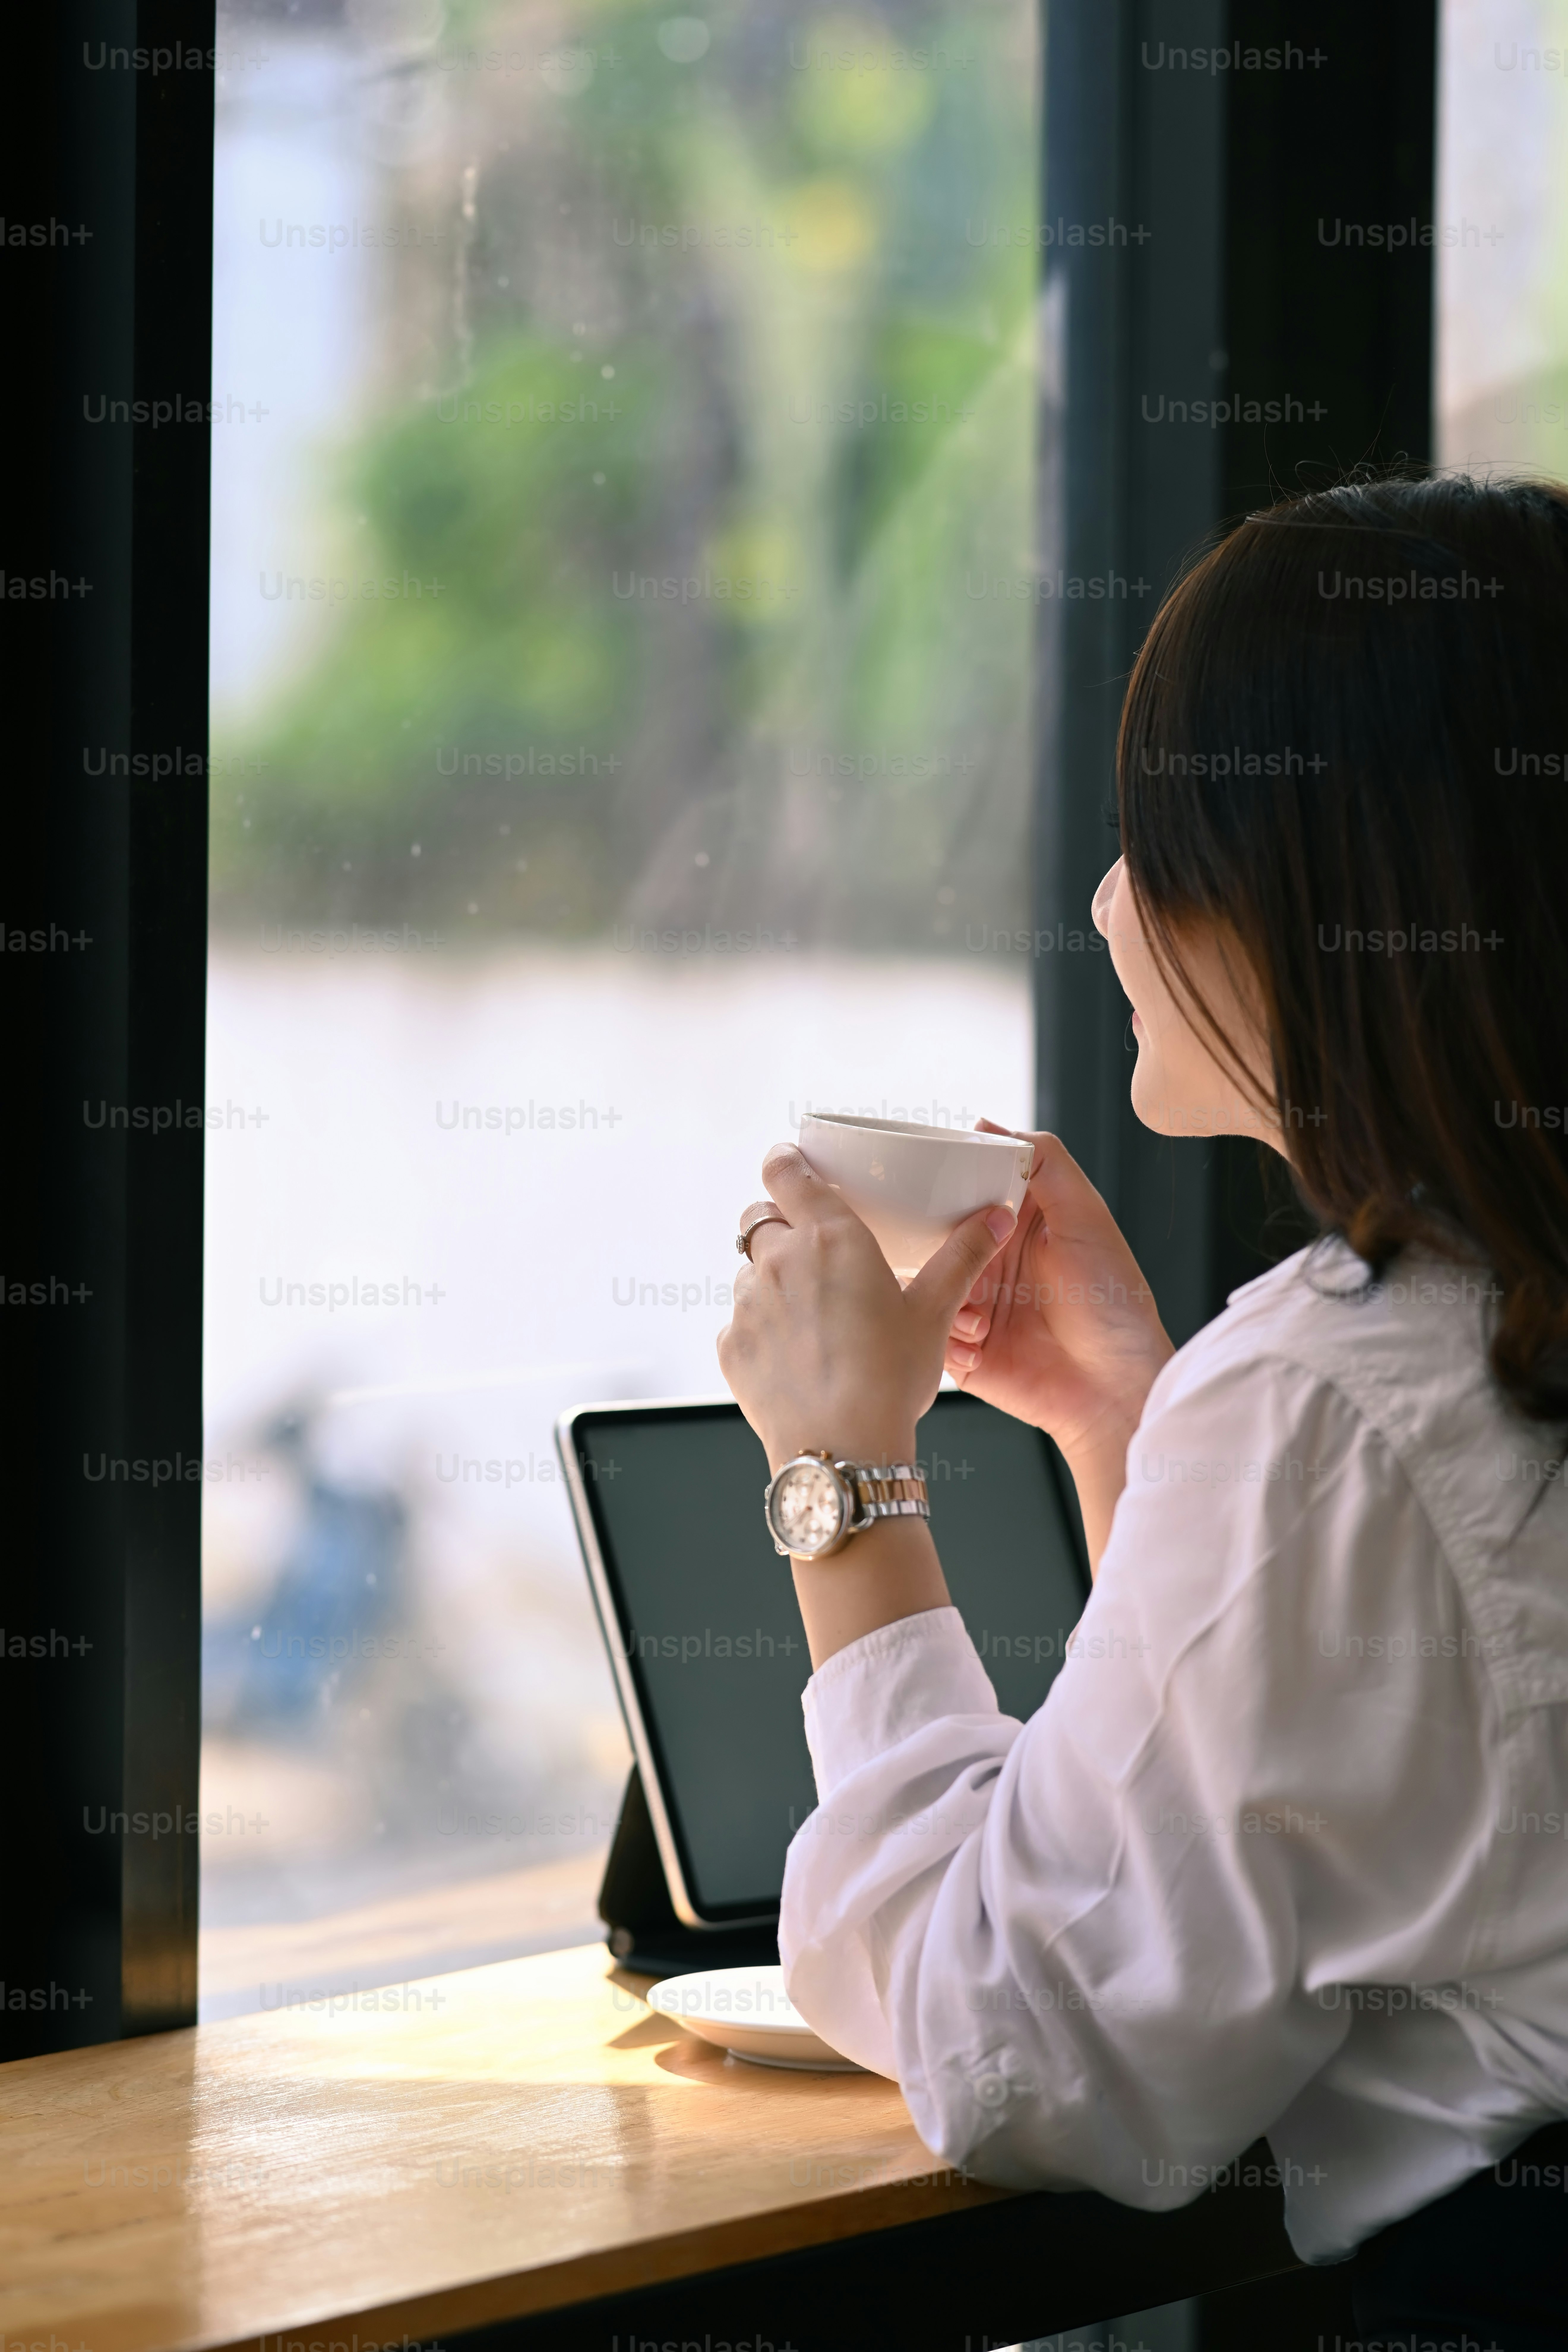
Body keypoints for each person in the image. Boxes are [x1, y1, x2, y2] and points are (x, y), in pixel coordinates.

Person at [719, 476, 1568, 2350]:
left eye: (1155, 838)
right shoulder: (1432, 1359)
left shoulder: (1346, 1385)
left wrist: (845, 1484)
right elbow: (1297, 1852)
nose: (1108, 901)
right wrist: (1127, 1413)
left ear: (1321, 888)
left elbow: (1029, 2059)